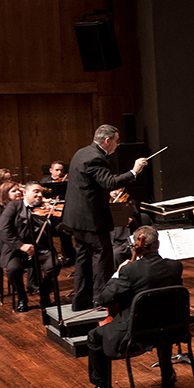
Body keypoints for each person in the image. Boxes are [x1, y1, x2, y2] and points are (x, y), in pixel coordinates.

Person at [80, 226, 184, 388]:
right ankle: (167, 375)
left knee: (94, 336)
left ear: (137, 246)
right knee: (160, 316)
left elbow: (104, 299)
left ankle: (103, 387)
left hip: (137, 332)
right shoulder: (176, 266)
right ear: (158, 244)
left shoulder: (129, 271)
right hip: (170, 329)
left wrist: (117, 273)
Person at [62, 125, 147, 311]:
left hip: (76, 219)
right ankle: (101, 300)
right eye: (116, 141)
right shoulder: (96, 158)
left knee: (83, 258)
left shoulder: (82, 152)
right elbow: (109, 183)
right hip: (90, 219)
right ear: (107, 141)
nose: (117, 145)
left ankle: (80, 301)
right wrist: (134, 171)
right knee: (102, 257)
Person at [0, 182, 61, 312]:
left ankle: (44, 291)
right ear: (25, 192)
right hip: (17, 250)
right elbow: (3, 230)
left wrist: (57, 219)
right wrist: (21, 246)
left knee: (54, 265)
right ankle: (22, 297)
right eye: (36, 191)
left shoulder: (45, 209)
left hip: (41, 249)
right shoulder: (14, 206)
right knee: (13, 270)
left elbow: (56, 232)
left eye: (41, 192)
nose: (39, 195)